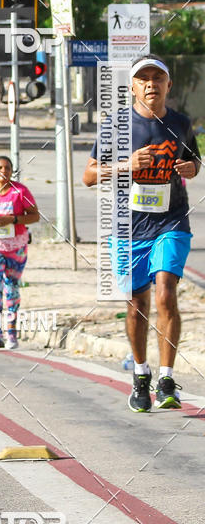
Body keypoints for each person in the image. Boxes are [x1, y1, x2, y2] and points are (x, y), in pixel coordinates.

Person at [83, 55, 201, 412]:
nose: (151, 84)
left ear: (168, 85)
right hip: (128, 227)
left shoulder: (180, 123)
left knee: (165, 292)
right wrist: (126, 165)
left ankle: (166, 379)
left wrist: (191, 168)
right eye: (143, 78)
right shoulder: (116, 125)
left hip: (171, 220)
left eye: (157, 78)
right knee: (137, 306)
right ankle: (140, 373)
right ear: (133, 86)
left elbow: (194, 161)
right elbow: (89, 175)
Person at [0, 156, 39, 349]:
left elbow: (34, 216)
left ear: (12, 171)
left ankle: (11, 333)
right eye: (0, 167)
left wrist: (12, 219)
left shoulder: (20, 191)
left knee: (11, 289)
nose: (4, 171)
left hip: (16, 247)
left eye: (7, 168)